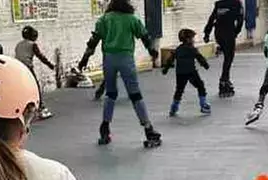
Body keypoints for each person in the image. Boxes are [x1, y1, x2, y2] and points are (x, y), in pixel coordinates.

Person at [77, 0, 162, 148]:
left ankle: (105, 128)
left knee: (110, 94)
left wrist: (84, 59)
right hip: (126, 59)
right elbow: (144, 36)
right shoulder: (131, 19)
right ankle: (148, 129)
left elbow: (93, 41)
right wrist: (152, 51)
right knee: (135, 95)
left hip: (109, 59)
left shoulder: (104, 19)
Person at [162, 28, 211, 117]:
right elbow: (199, 57)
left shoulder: (178, 49)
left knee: (179, 90)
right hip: (191, 72)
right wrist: (205, 65)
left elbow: (170, 60)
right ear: (188, 39)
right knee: (200, 86)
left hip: (180, 73)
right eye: (192, 38)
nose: (193, 40)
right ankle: (203, 105)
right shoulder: (192, 49)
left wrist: (165, 69)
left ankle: (174, 107)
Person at [202, 0, 243, 97]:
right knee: (229, 57)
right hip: (229, 32)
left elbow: (211, 19)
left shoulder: (219, 4)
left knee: (227, 55)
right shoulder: (237, 3)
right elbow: (240, 20)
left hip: (218, 33)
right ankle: (224, 80)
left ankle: (226, 79)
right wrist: (235, 33)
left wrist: (207, 34)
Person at [15, 25, 56, 120]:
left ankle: (23, 108)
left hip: (17, 68)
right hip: (27, 67)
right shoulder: (32, 45)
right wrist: (50, 65)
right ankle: (41, 108)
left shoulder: (19, 44)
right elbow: (40, 56)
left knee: (22, 89)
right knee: (36, 88)